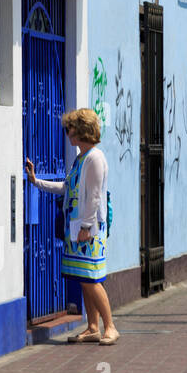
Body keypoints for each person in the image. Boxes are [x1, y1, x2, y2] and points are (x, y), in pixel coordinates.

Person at [24, 108, 119, 346]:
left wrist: (87, 227)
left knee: (92, 279)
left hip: (89, 230)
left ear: (82, 130)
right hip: (77, 228)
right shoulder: (80, 159)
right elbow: (67, 188)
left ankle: (110, 327)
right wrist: (37, 182)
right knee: (84, 278)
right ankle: (92, 327)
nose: (68, 133)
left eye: (71, 129)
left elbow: (95, 196)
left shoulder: (95, 158)